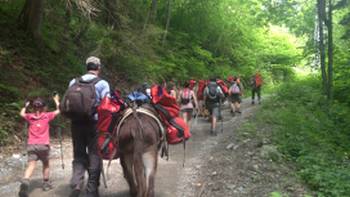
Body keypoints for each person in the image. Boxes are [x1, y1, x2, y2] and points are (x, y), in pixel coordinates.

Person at [66, 56, 110, 197]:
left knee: (78, 154)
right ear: (98, 68)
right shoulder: (102, 83)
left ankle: (77, 184)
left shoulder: (74, 82)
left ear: (87, 67)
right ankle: (91, 190)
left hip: (76, 123)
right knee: (94, 155)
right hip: (93, 124)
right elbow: (106, 106)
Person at [18, 95, 60, 197]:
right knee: (46, 164)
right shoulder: (47, 116)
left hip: (31, 145)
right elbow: (60, 110)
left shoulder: (30, 117)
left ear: (33, 108)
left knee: (31, 165)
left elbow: (21, 113)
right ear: (44, 108)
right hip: (43, 146)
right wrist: (56, 101)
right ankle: (46, 184)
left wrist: (25, 106)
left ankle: (26, 181)